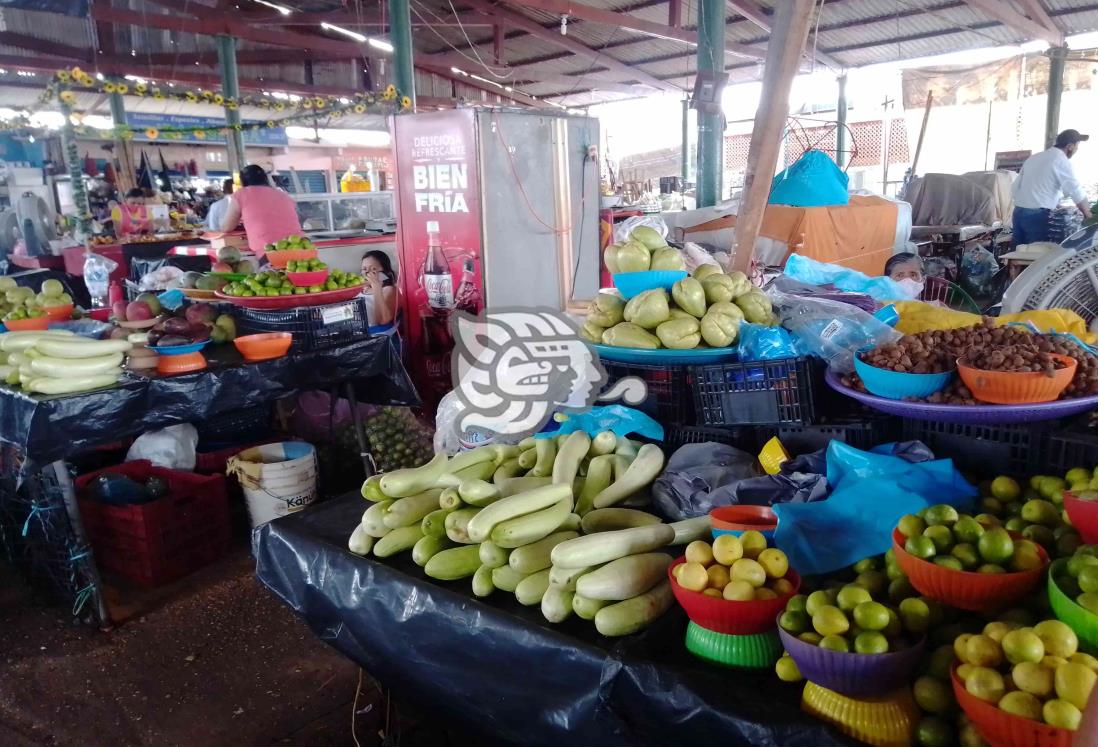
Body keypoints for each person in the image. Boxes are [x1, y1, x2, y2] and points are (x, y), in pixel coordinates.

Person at [1012, 129, 1094, 247]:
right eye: (1077, 146)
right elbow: (1075, 191)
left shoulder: (1034, 158)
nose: (1077, 149)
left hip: (1018, 212)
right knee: (1035, 257)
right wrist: (1089, 216)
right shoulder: (1060, 160)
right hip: (1036, 216)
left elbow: (1015, 187)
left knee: (1017, 253)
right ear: (1070, 146)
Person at [219, 164, 302, 259]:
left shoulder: (242, 194)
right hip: (300, 247)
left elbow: (226, 227)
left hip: (269, 252)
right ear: (265, 179)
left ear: (242, 182)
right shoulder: (283, 194)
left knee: (272, 274)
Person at [361, 250, 401, 328]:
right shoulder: (360, 289)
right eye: (364, 269)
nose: (367, 273)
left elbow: (383, 320)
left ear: (385, 272)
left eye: (373, 269)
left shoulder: (390, 290)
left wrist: (376, 287)